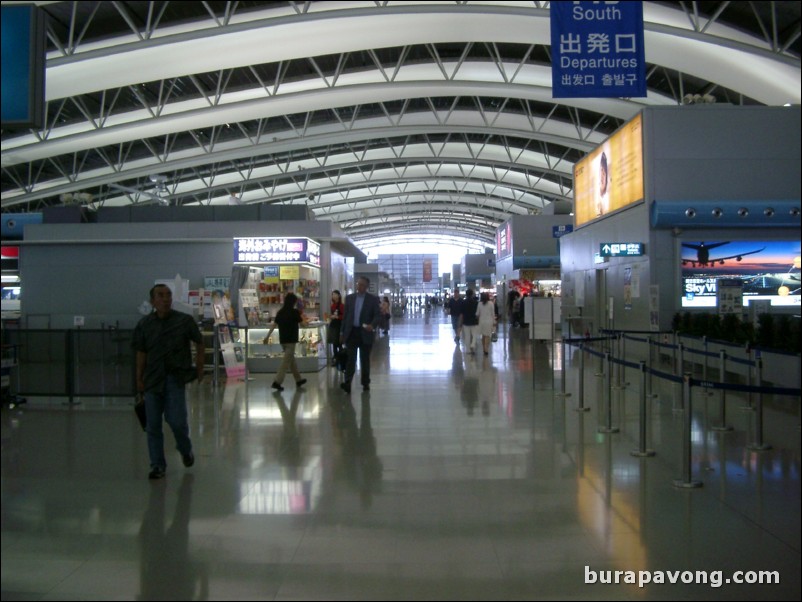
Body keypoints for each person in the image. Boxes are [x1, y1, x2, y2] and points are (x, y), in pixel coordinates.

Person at [133, 284, 204, 480]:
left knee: (177, 421)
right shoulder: (144, 325)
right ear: (152, 301)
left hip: (175, 378)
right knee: (153, 425)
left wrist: (199, 365)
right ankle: (157, 465)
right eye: (160, 296)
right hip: (152, 380)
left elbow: (199, 341)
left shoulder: (183, 321)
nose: (165, 299)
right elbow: (141, 352)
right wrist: (138, 378)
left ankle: (185, 448)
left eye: (168, 295)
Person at [340, 276, 382, 393]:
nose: (360, 286)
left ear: (367, 286)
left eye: (362, 284)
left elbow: (378, 316)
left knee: (364, 360)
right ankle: (347, 382)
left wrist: (372, 325)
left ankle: (365, 382)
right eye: (358, 284)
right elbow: (345, 317)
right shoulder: (349, 298)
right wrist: (342, 332)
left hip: (365, 333)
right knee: (351, 359)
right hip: (352, 332)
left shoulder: (372, 300)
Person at [265, 292, 308, 391]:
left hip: (283, 340)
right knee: (285, 363)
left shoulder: (280, 312)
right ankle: (277, 382)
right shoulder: (295, 312)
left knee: (291, 360)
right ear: (293, 302)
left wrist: (267, 336)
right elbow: (303, 324)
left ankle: (298, 380)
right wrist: (307, 324)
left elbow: (273, 325)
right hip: (291, 341)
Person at [459, 288, 479, 354]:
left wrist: (460, 322)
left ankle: (468, 350)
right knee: (474, 335)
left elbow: (461, 313)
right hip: (474, 321)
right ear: (472, 294)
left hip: (466, 322)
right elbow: (477, 313)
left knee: (467, 336)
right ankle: (473, 344)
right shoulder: (476, 302)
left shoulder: (463, 302)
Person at [476, 291, 496, 356]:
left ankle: (484, 348)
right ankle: (486, 348)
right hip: (489, 321)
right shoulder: (491, 303)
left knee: (483, 336)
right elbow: (493, 313)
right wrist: (494, 321)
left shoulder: (479, 304)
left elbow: (477, 314)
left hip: (481, 322)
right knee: (487, 336)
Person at [328, 290, 345, 366]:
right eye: (332, 295)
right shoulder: (332, 305)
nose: (333, 296)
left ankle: (340, 357)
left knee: (339, 342)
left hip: (339, 325)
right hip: (333, 325)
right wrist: (331, 317)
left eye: (335, 294)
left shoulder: (341, 306)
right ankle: (335, 357)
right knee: (334, 342)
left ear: (338, 295)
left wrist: (337, 317)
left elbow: (344, 316)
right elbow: (332, 314)